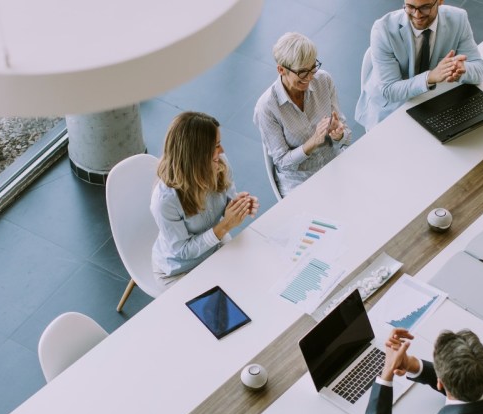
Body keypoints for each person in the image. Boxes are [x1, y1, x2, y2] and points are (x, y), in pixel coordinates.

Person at [150, 112, 258, 286]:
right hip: (180, 270)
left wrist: (239, 205)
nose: (222, 151)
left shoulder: (219, 164)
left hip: (215, 248)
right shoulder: (165, 200)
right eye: (216, 146)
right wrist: (225, 226)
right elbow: (183, 251)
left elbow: (227, 200)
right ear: (197, 155)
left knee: (252, 282)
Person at [355, 0, 483, 130]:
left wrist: (462, 69)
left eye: (425, 7)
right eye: (410, 7)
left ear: (440, 1)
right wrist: (430, 77)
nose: (417, 15)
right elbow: (389, 90)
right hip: (392, 108)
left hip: (431, 102)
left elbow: (480, 70)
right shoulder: (383, 29)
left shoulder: (458, 19)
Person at [254, 32, 350, 198]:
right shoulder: (267, 108)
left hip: (334, 165)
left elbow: (346, 137)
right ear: (281, 69)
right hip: (299, 183)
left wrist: (338, 135)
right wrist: (312, 142)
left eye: (313, 68)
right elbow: (283, 163)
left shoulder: (324, 81)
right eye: (302, 72)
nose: (310, 77)